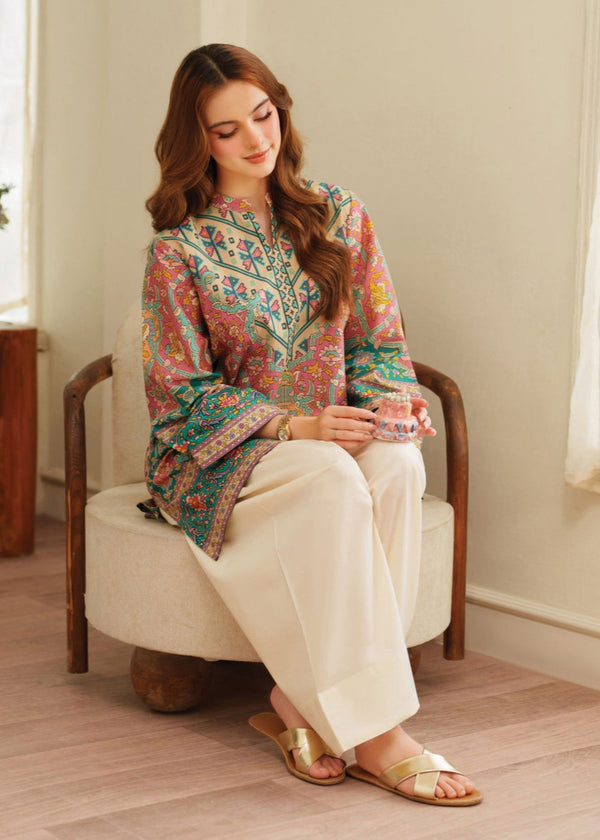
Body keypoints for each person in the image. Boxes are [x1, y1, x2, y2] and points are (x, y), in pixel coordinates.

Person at [142, 43, 482, 806]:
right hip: (223, 457)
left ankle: (299, 704)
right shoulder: (179, 250)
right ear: (199, 141)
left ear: (281, 110)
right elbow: (178, 396)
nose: (255, 139)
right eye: (227, 129)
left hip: (333, 432)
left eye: (263, 115)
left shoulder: (340, 215)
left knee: (398, 464)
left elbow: (379, 343)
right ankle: (381, 737)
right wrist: (298, 428)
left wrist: (389, 406)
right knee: (331, 473)